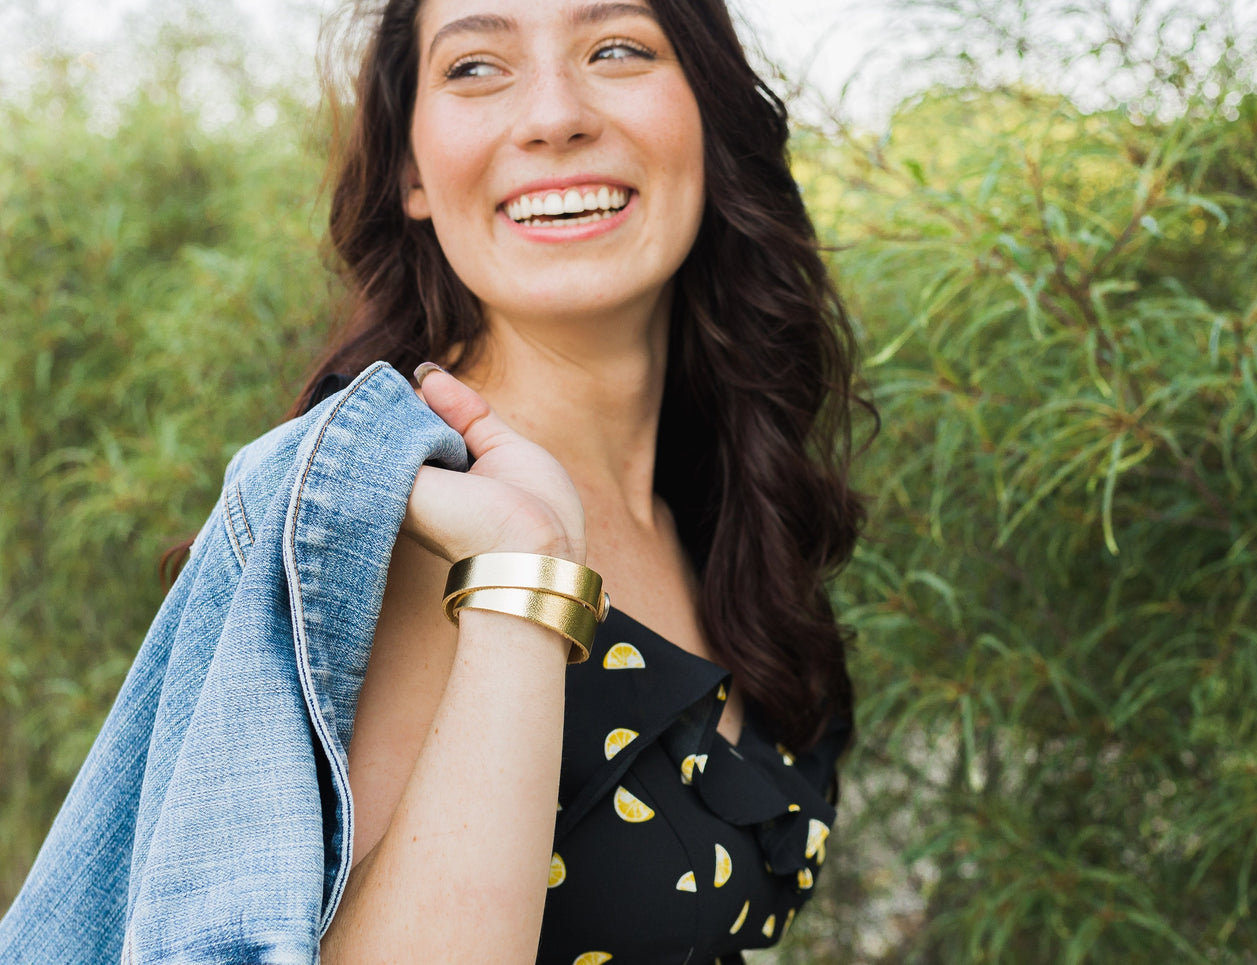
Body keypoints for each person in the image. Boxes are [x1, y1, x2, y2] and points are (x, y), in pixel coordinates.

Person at [0, 0, 868, 961]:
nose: (552, 114)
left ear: (707, 112)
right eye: (475, 67)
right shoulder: (398, 521)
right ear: (411, 170)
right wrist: (519, 574)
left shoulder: (714, 502)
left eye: (616, 47)